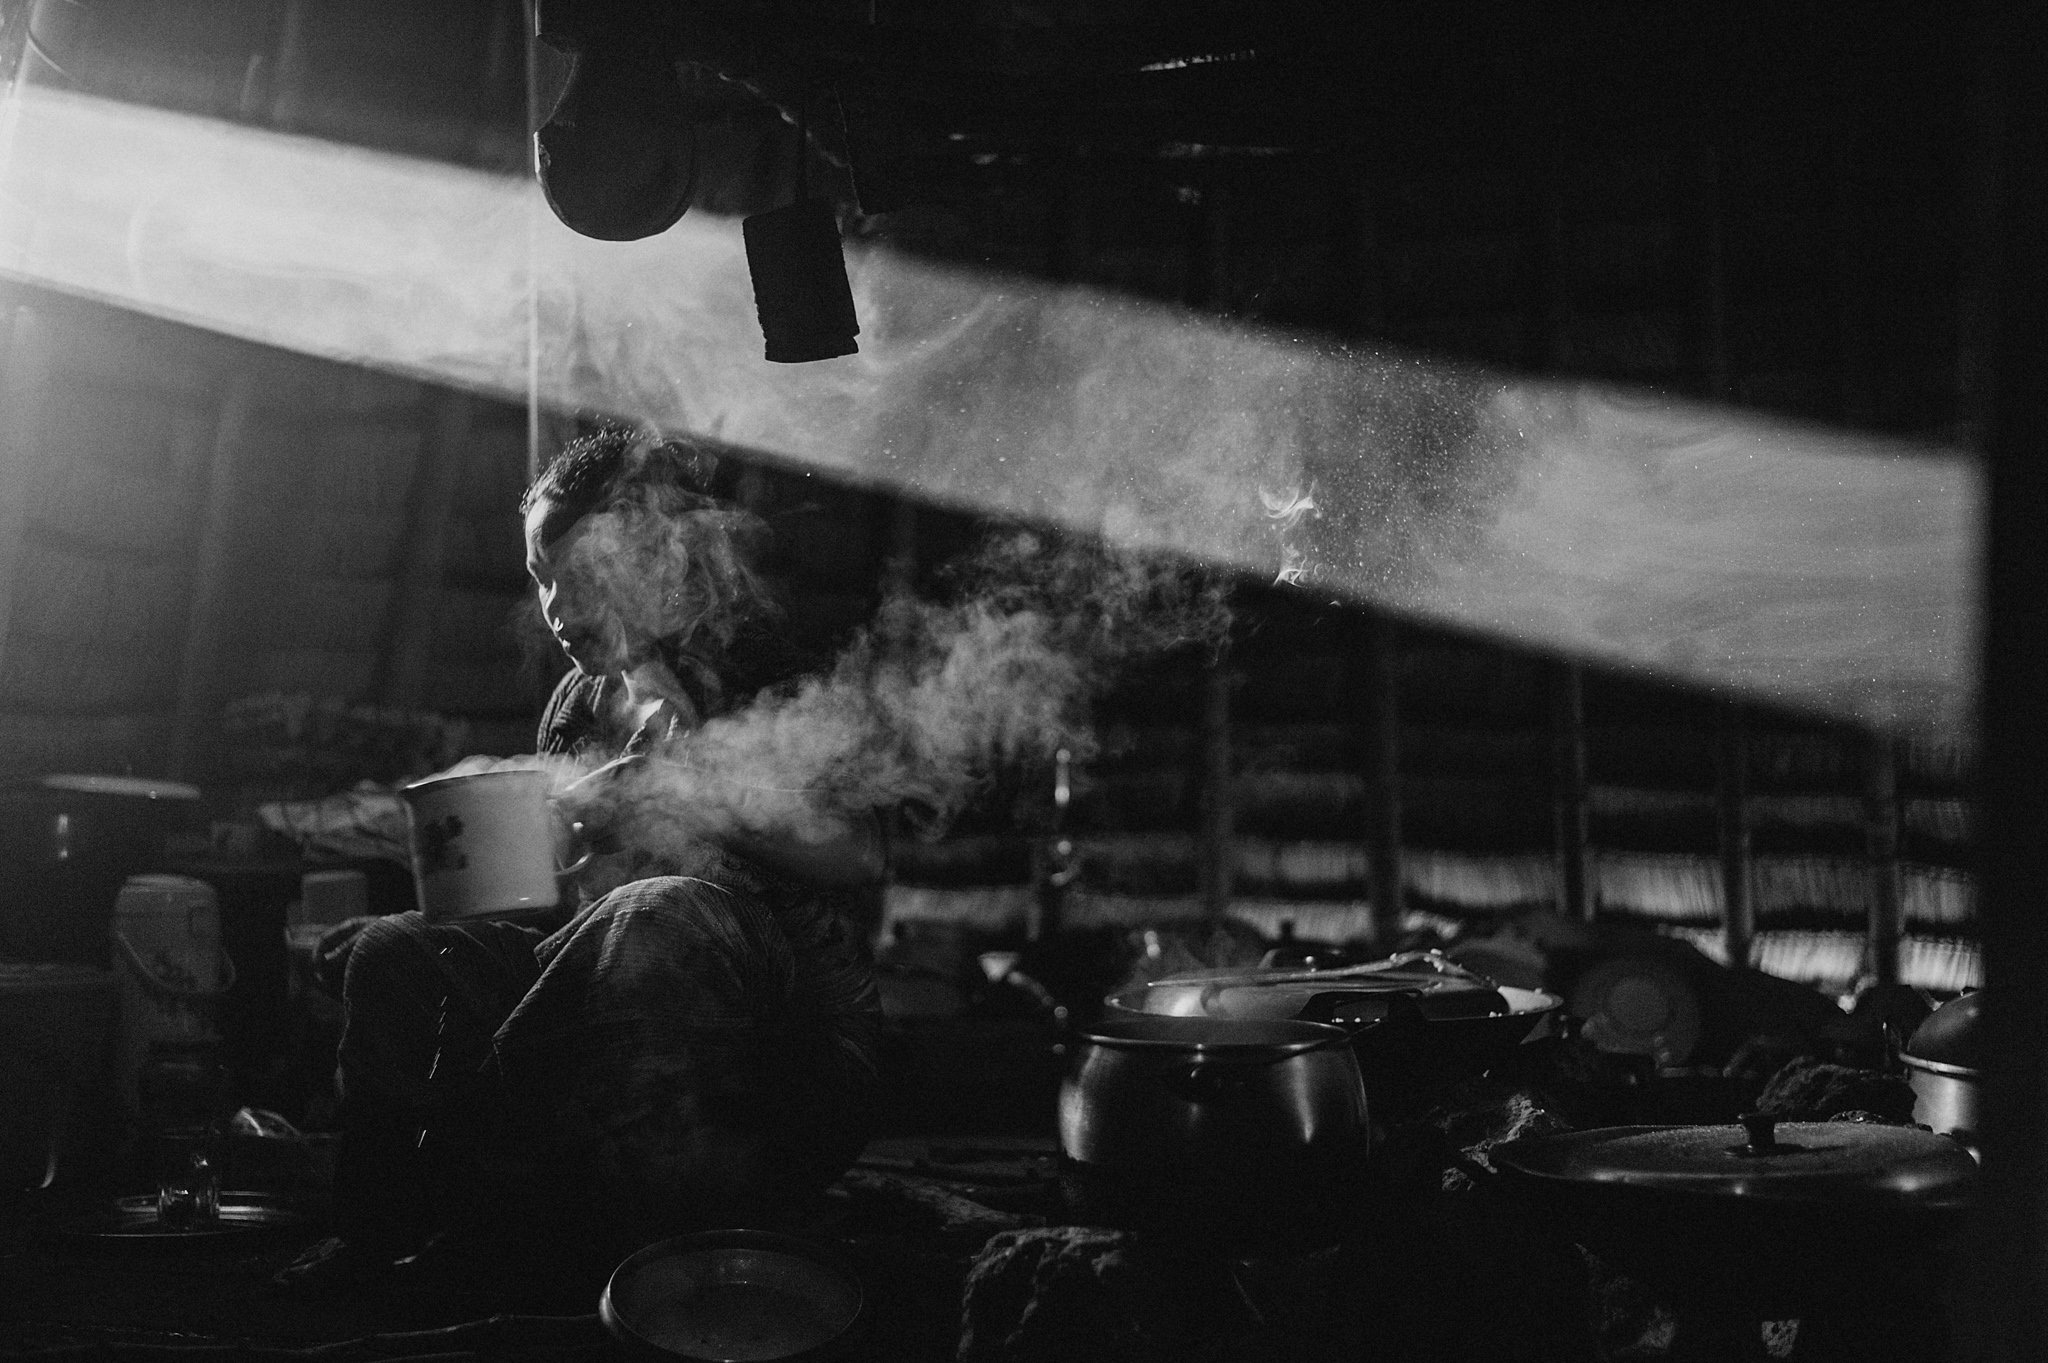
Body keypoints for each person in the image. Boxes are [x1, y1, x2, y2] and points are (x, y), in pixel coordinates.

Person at [283, 428, 884, 1295]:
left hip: (785, 1050)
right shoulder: (579, 703)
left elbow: (858, 852)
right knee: (397, 952)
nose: (559, 609)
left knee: (655, 916)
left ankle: (567, 1230)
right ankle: (381, 1233)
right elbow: (560, 899)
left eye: (582, 575)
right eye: (543, 579)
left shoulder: (754, 665)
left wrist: (695, 784)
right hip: (604, 1002)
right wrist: (469, 898)